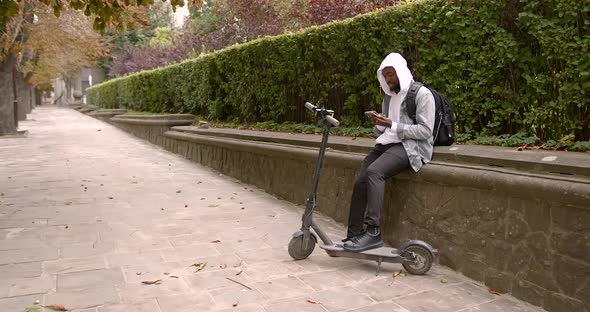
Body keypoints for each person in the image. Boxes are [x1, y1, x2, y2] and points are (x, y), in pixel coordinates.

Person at [342, 52, 435, 252]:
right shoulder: (389, 96)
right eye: (385, 76)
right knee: (361, 180)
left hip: (410, 147)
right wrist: (380, 123)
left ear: (401, 72)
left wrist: (392, 124)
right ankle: (354, 234)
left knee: (375, 172)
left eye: (391, 75)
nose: (388, 79)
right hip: (388, 143)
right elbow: (387, 129)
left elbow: (426, 131)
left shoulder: (421, 94)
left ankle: (373, 232)